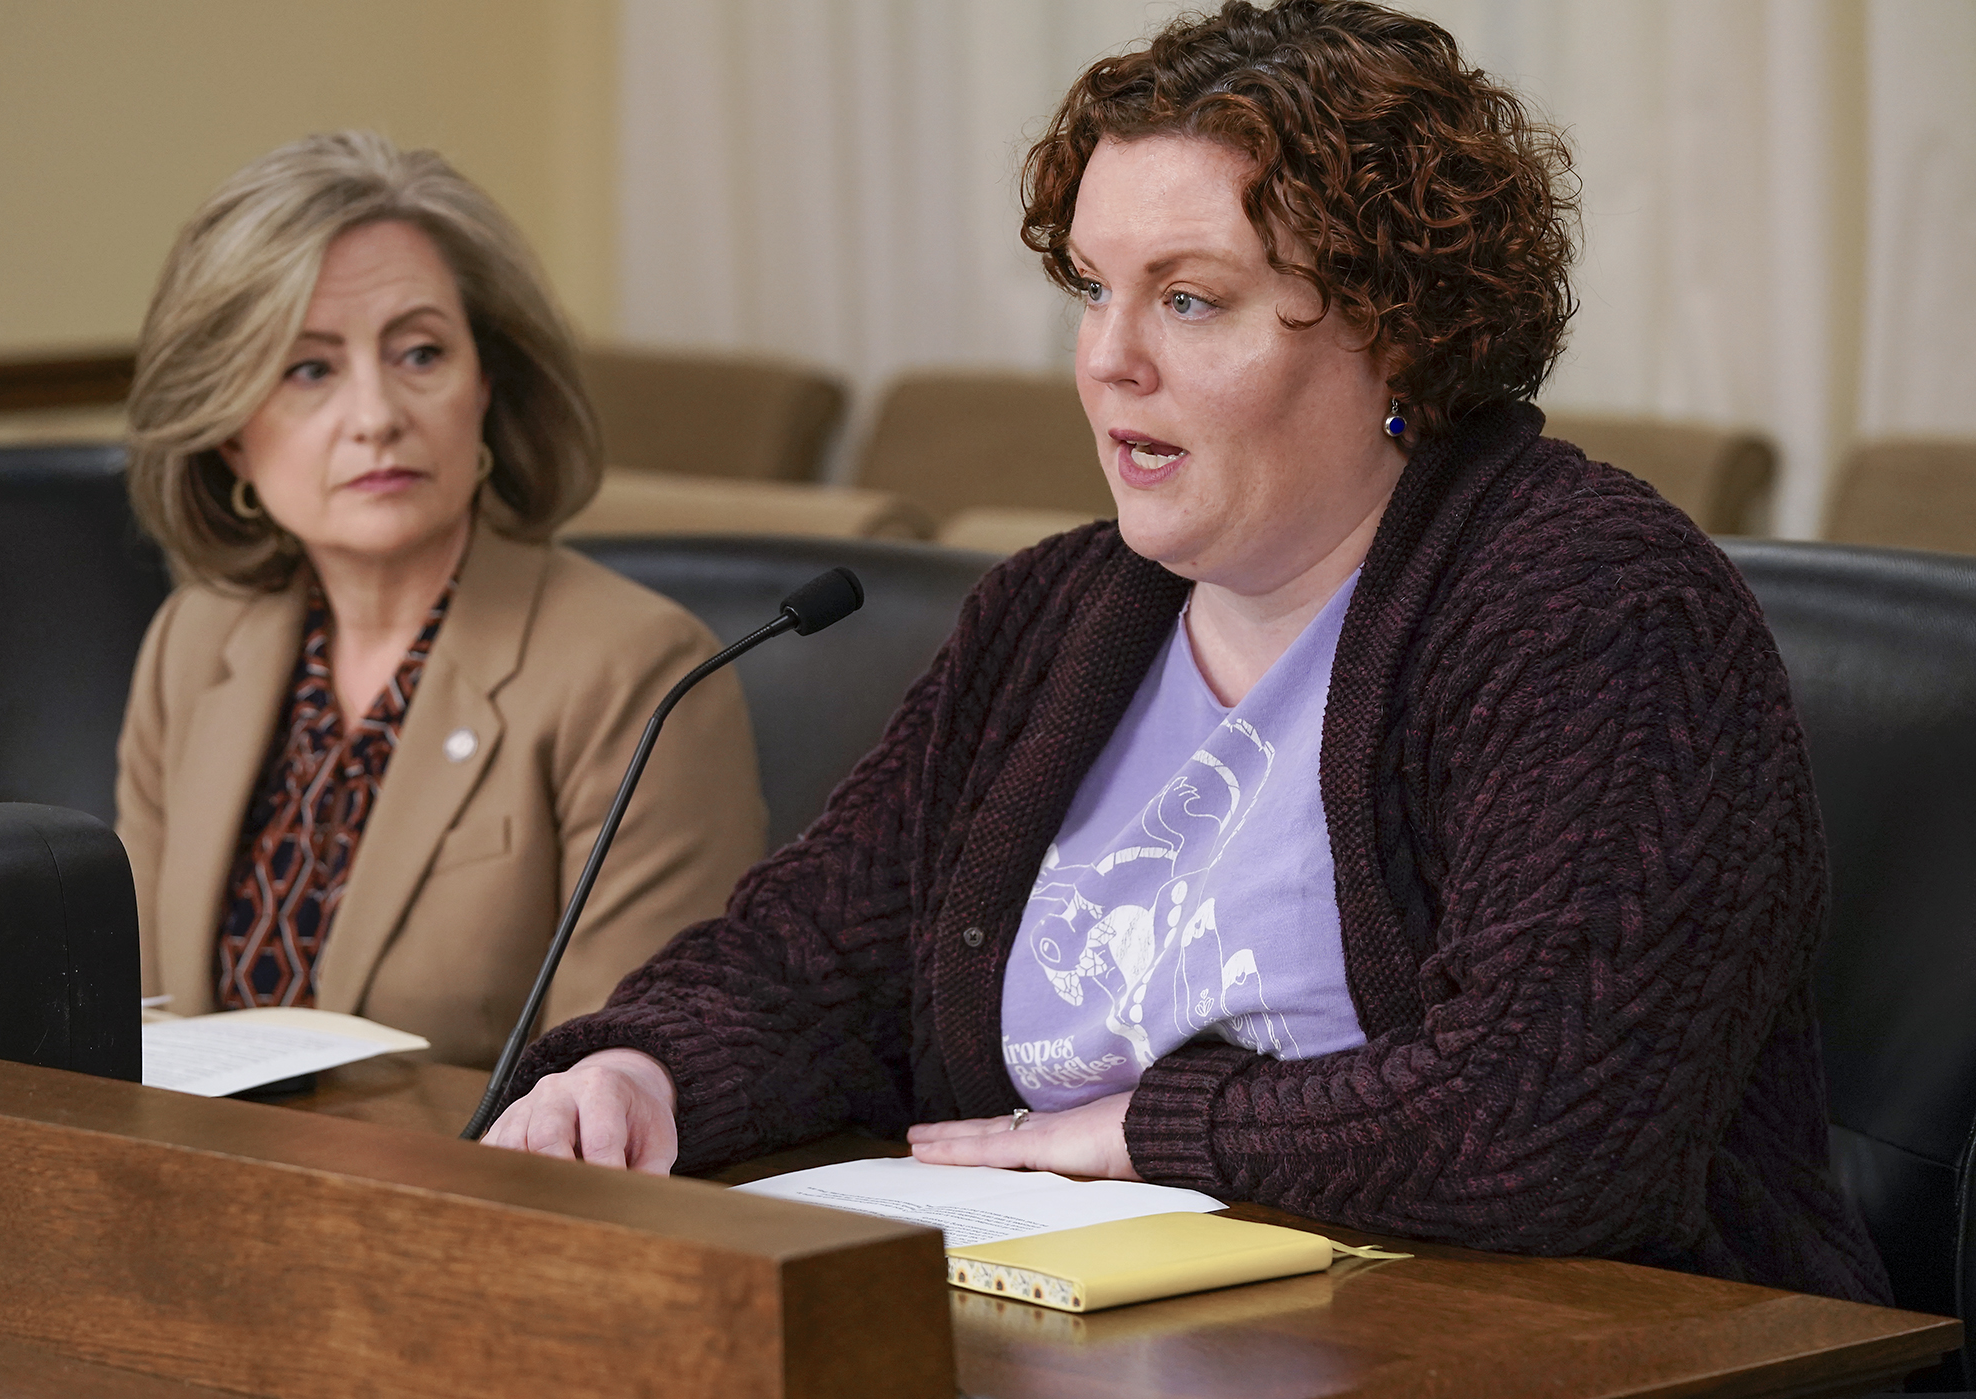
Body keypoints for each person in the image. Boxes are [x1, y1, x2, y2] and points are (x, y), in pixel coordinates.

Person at [485, 0, 1889, 1303]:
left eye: (1190, 298)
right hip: (1082, 1331)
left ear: (1399, 330)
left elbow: (1548, 1123)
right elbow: (809, 964)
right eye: (1095, 288)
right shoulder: (1054, 615)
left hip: (1540, 1345)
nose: (1110, 358)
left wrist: (1146, 1129)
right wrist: (644, 1067)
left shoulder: (1595, 606)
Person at [116, 132, 766, 1067]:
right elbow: (132, 1018)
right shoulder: (194, 640)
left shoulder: (637, 671)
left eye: (420, 354)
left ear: (485, 385)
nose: (377, 416)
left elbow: (609, 1083)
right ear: (229, 434)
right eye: (310, 369)